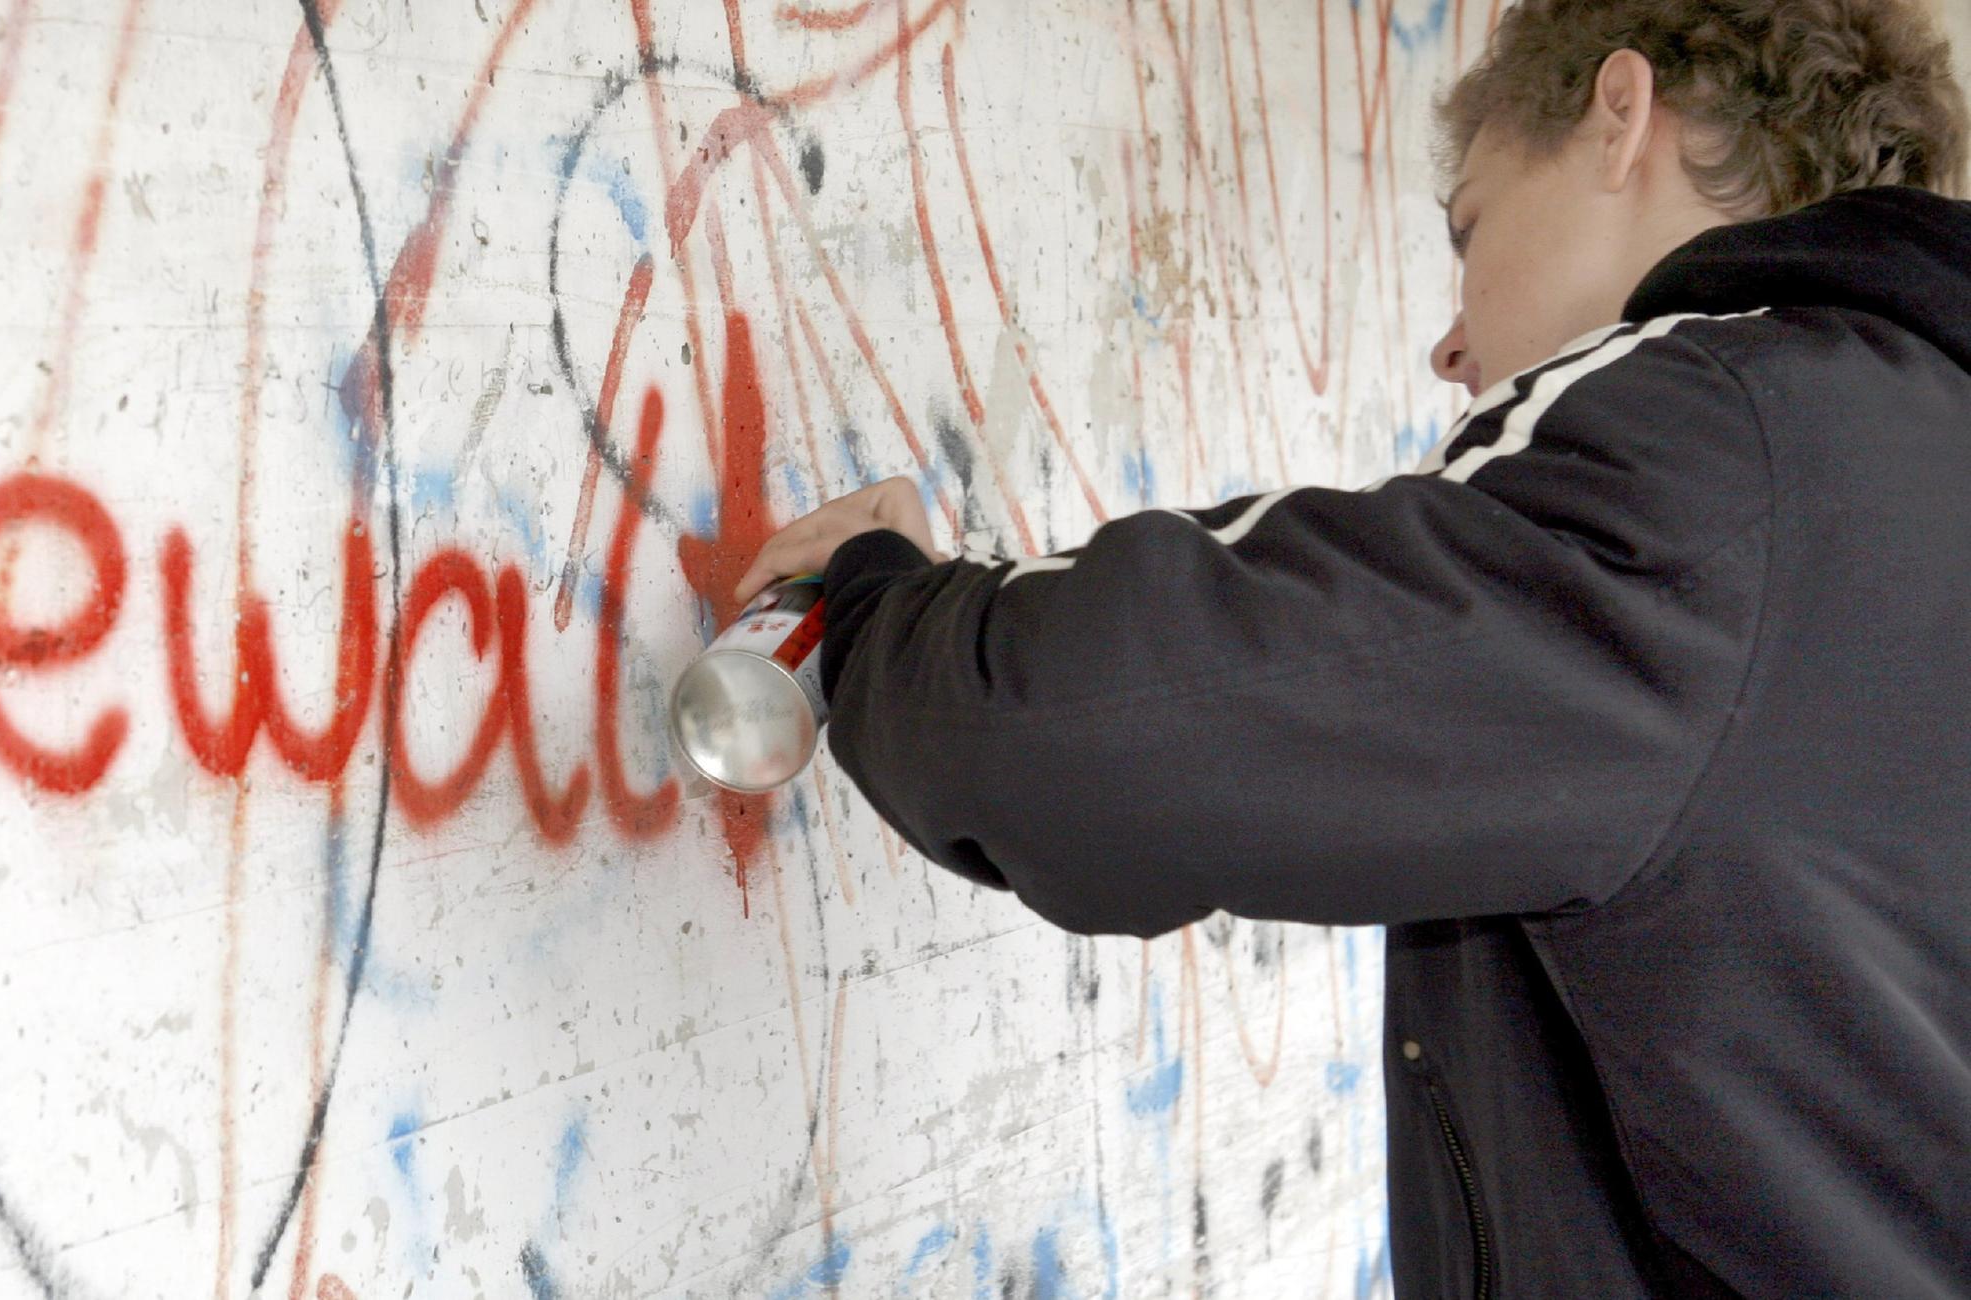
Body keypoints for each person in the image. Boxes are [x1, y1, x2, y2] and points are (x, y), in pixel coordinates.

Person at [732, 1, 1971, 1295]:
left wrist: (886, 604)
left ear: (1622, 118)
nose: (1448, 342)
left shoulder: (1710, 453)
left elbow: (1096, 727)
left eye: (1470, 225)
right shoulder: (1911, 445)